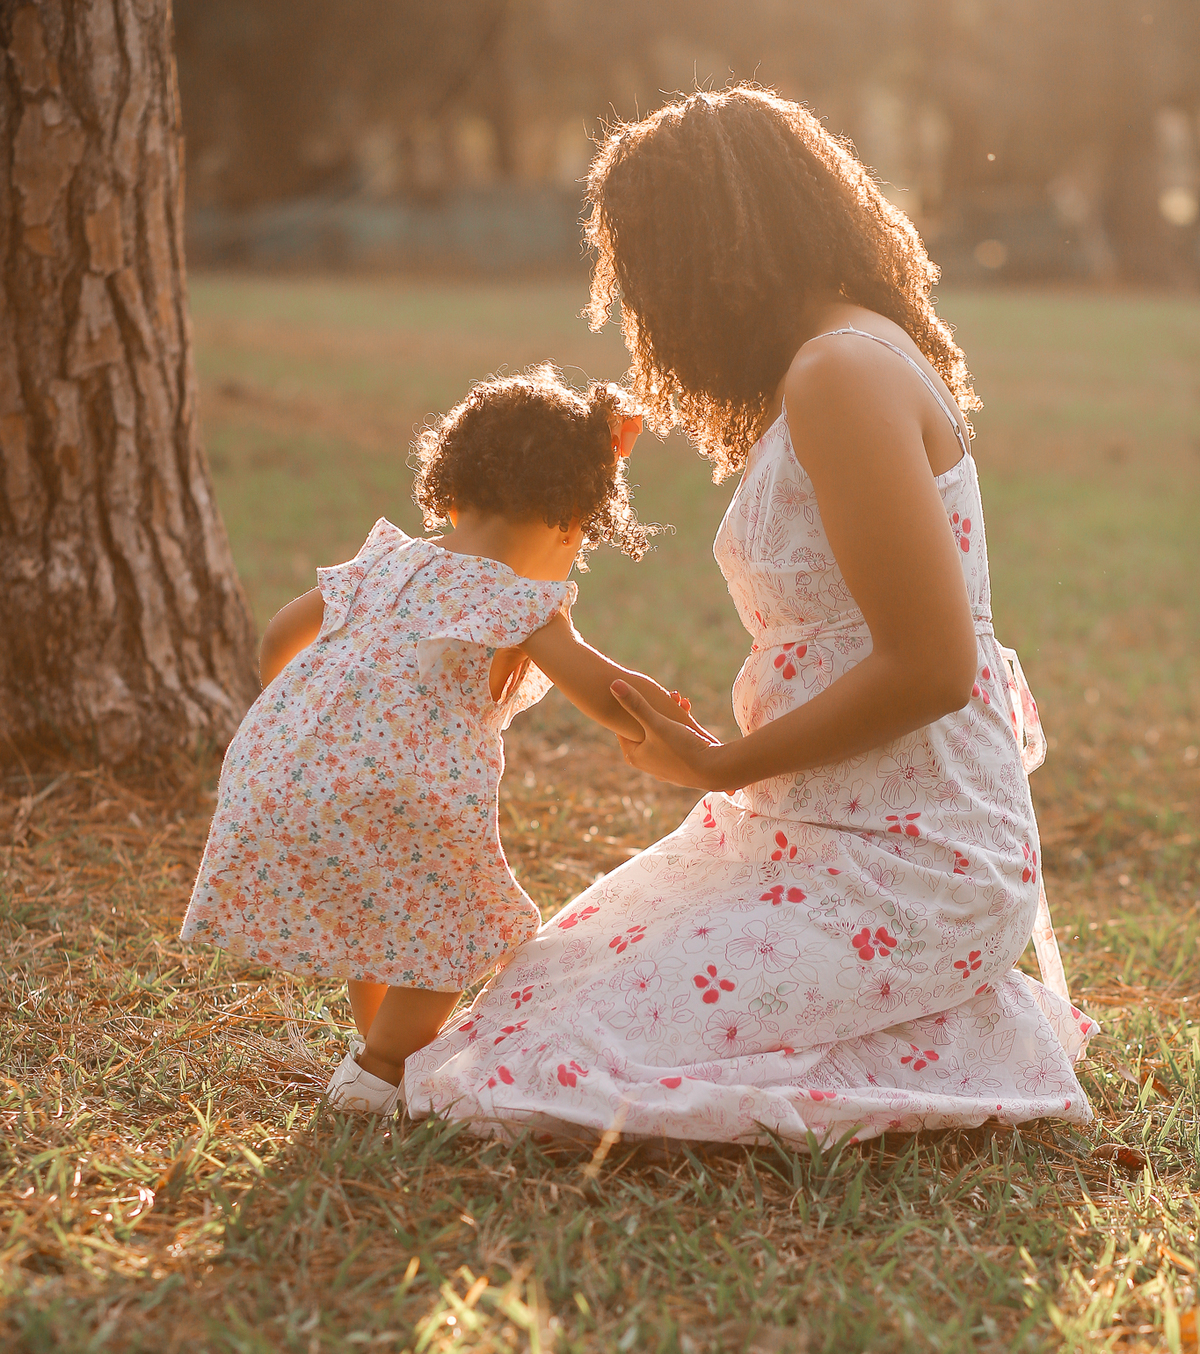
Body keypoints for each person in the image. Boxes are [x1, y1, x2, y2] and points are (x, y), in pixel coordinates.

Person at [403, 86, 1097, 1145]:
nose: (645, 303)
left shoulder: (842, 373)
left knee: (556, 1065)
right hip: (801, 828)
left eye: (647, 267)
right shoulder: (829, 364)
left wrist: (723, 764)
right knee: (531, 1006)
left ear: (719, 249)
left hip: (909, 858)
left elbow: (932, 667)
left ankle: (954, 1011)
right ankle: (936, 1016)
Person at [180, 366, 713, 1114]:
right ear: (569, 521)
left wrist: (302, 714)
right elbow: (601, 685)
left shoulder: (384, 562)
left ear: (452, 488)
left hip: (279, 769)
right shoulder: (517, 597)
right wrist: (663, 720)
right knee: (452, 928)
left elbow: (280, 637)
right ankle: (376, 1068)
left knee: (382, 922)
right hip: (406, 795)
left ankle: (395, 1063)